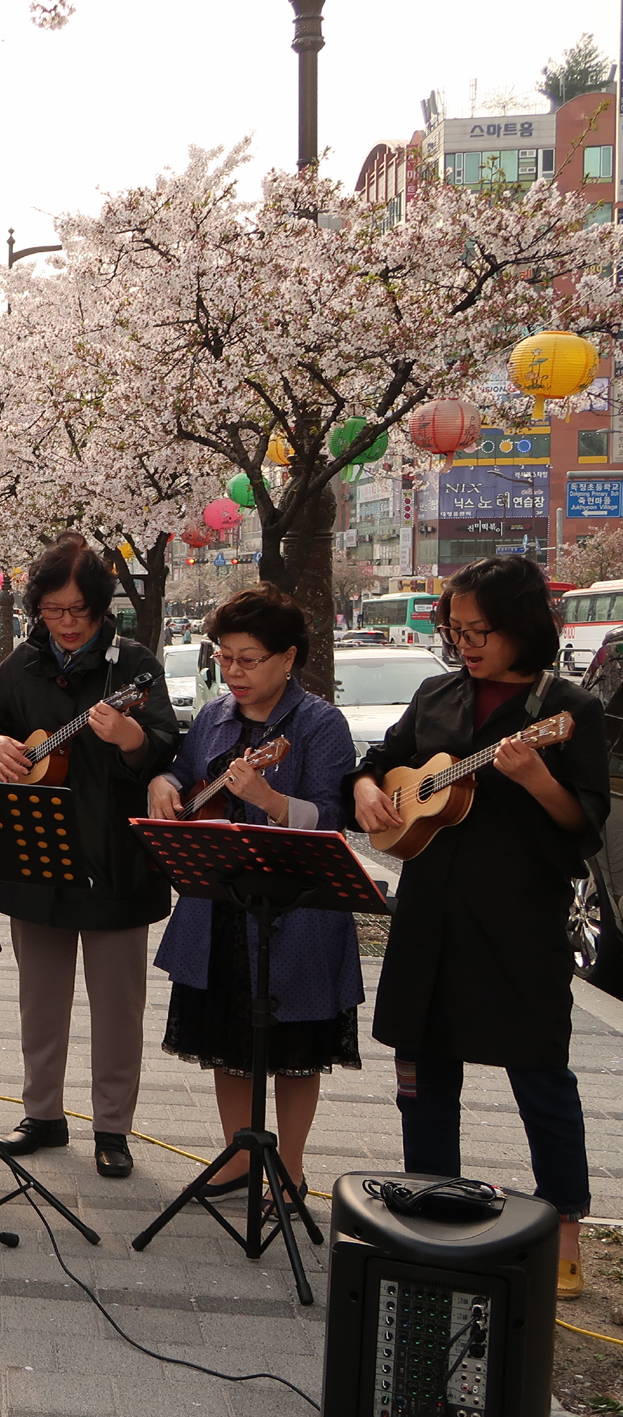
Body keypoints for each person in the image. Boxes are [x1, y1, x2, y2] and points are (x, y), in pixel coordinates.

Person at [350, 555, 606, 1299]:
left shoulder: (568, 708)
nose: (464, 644)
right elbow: (383, 761)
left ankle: (564, 1224)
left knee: (540, 1071)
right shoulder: (438, 693)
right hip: (429, 912)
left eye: (479, 631)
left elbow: (583, 823)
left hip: (518, 917)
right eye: (455, 630)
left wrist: (536, 777)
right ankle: (432, 1210)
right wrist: (366, 790)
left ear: (521, 626)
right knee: (422, 1073)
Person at [0, 533, 177, 1180]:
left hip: (115, 859)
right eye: (53, 610)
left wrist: (132, 737)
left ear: (101, 606)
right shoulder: (20, 665)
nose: (67, 622)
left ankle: (112, 1127)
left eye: (79, 610)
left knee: (117, 1007)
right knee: (40, 1000)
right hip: (35, 854)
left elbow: (168, 747)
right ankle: (42, 1113)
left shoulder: (133, 664)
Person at [148, 584, 361, 1198]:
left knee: (295, 1044)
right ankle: (239, 1155)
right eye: (225, 658)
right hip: (220, 902)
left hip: (297, 909)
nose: (234, 673)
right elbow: (184, 772)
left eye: (249, 659)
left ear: (288, 658)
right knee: (225, 1037)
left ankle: (289, 1167)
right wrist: (164, 783)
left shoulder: (319, 723)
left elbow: (334, 815)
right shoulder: (215, 715)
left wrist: (270, 800)